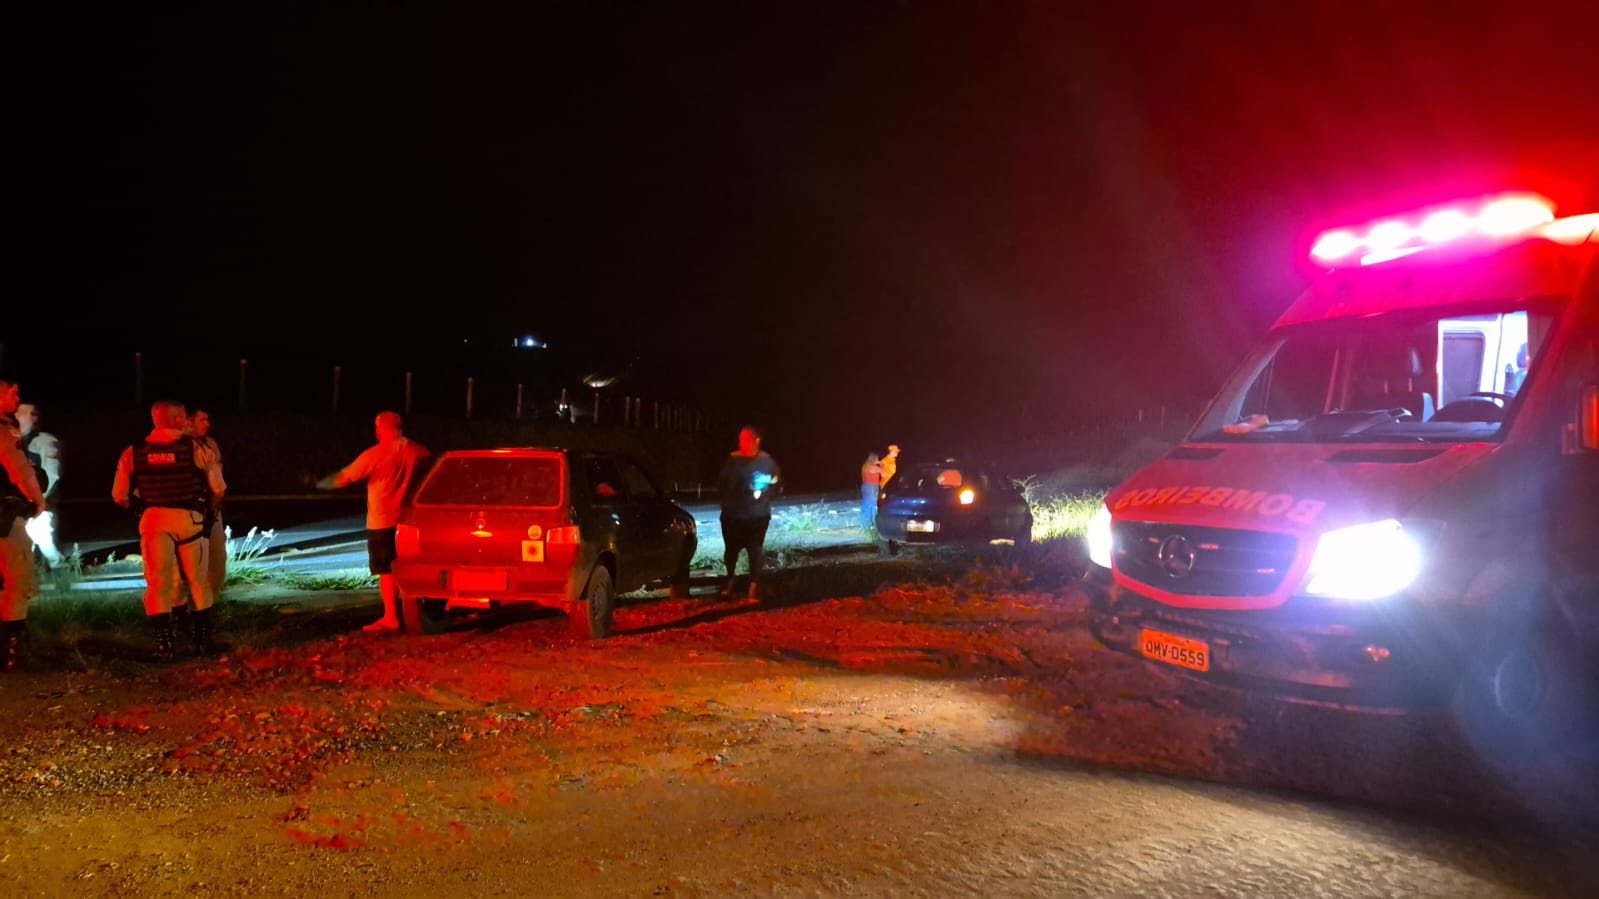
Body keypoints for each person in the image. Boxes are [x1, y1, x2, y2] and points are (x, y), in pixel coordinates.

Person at [112, 400, 227, 660]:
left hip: (153, 521)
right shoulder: (196, 448)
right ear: (176, 420)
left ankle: (164, 646)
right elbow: (218, 488)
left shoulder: (134, 451)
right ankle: (202, 641)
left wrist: (143, 508)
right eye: (183, 418)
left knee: (157, 583)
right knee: (199, 581)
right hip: (190, 521)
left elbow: (119, 495)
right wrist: (209, 510)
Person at [316, 411, 431, 633]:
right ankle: (416, 614)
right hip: (409, 520)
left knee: (385, 570)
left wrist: (319, 484)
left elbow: (344, 478)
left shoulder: (376, 454)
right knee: (408, 568)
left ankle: (391, 617)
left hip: (382, 520)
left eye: (377, 427)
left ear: (382, 428)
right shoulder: (418, 451)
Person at [1, 380, 48, 672]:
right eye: (12, 392)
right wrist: (37, 499)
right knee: (17, 583)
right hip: (5, 519)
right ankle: (13, 651)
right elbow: (18, 469)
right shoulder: (3, 431)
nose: (18, 397)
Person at [717, 425, 781, 600]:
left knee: (755, 551)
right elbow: (723, 483)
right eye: (741, 439)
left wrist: (766, 493)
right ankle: (730, 583)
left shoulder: (766, 460)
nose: (742, 442)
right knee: (731, 551)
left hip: (758, 516)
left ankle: (753, 589)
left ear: (756, 441)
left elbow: (777, 483)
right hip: (733, 516)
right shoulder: (733, 459)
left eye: (746, 439)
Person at [16, 403, 64, 567]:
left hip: (40, 502)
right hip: (22, 503)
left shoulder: (45, 441)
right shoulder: (15, 441)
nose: (16, 415)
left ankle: (58, 566)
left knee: (40, 533)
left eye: (22, 412)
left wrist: (39, 500)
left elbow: (52, 474)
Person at [187, 408, 227, 597]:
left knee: (216, 561)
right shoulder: (194, 448)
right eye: (202, 419)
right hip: (190, 513)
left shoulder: (209, 444)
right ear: (188, 421)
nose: (208, 424)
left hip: (209, 510)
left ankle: (208, 602)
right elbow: (218, 486)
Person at [859, 452, 884, 532]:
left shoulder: (865, 466)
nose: (878, 460)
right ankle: (872, 524)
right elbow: (884, 473)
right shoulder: (873, 467)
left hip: (865, 486)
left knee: (866, 505)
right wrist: (882, 464)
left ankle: (864, 525)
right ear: (874, 459)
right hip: (871, 487)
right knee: (872, 506)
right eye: (877, 459)